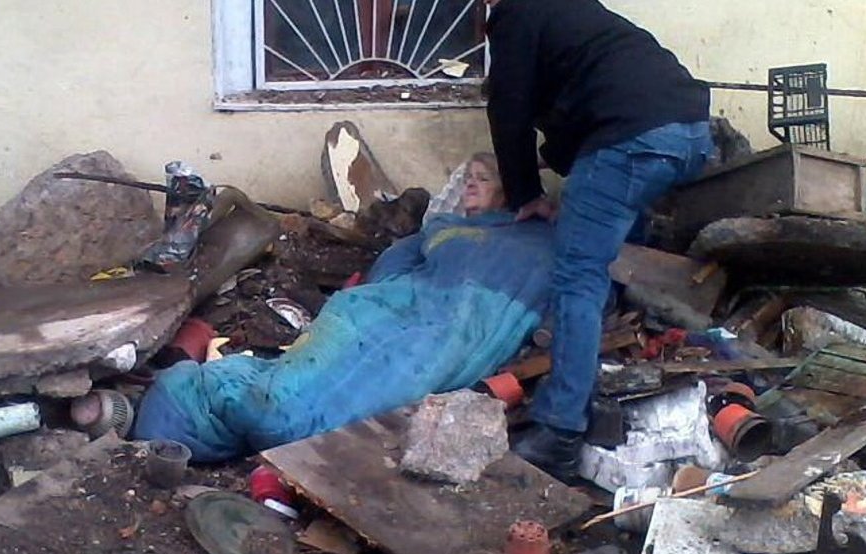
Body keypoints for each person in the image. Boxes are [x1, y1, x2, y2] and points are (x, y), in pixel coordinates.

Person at [133, 154, 556, 461]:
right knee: (296, 392)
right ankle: (206, 407)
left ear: (510, 189)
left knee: (298, 409)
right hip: (378, 312)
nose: (470, 185)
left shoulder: (542, 239)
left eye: (483, 179)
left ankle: (207, 407)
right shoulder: (446, 227)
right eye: (468, 178)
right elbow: (392, 266)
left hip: (455, 328)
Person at [483, 0, 714, 480]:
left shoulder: (516, 14)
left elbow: (509, 109)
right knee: (617, 244)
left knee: (577, 275)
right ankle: (609, 353)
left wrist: (525, 192)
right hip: (691, 132)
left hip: (632, 140)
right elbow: (582, 109)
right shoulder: (572, 14)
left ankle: (560, 431)